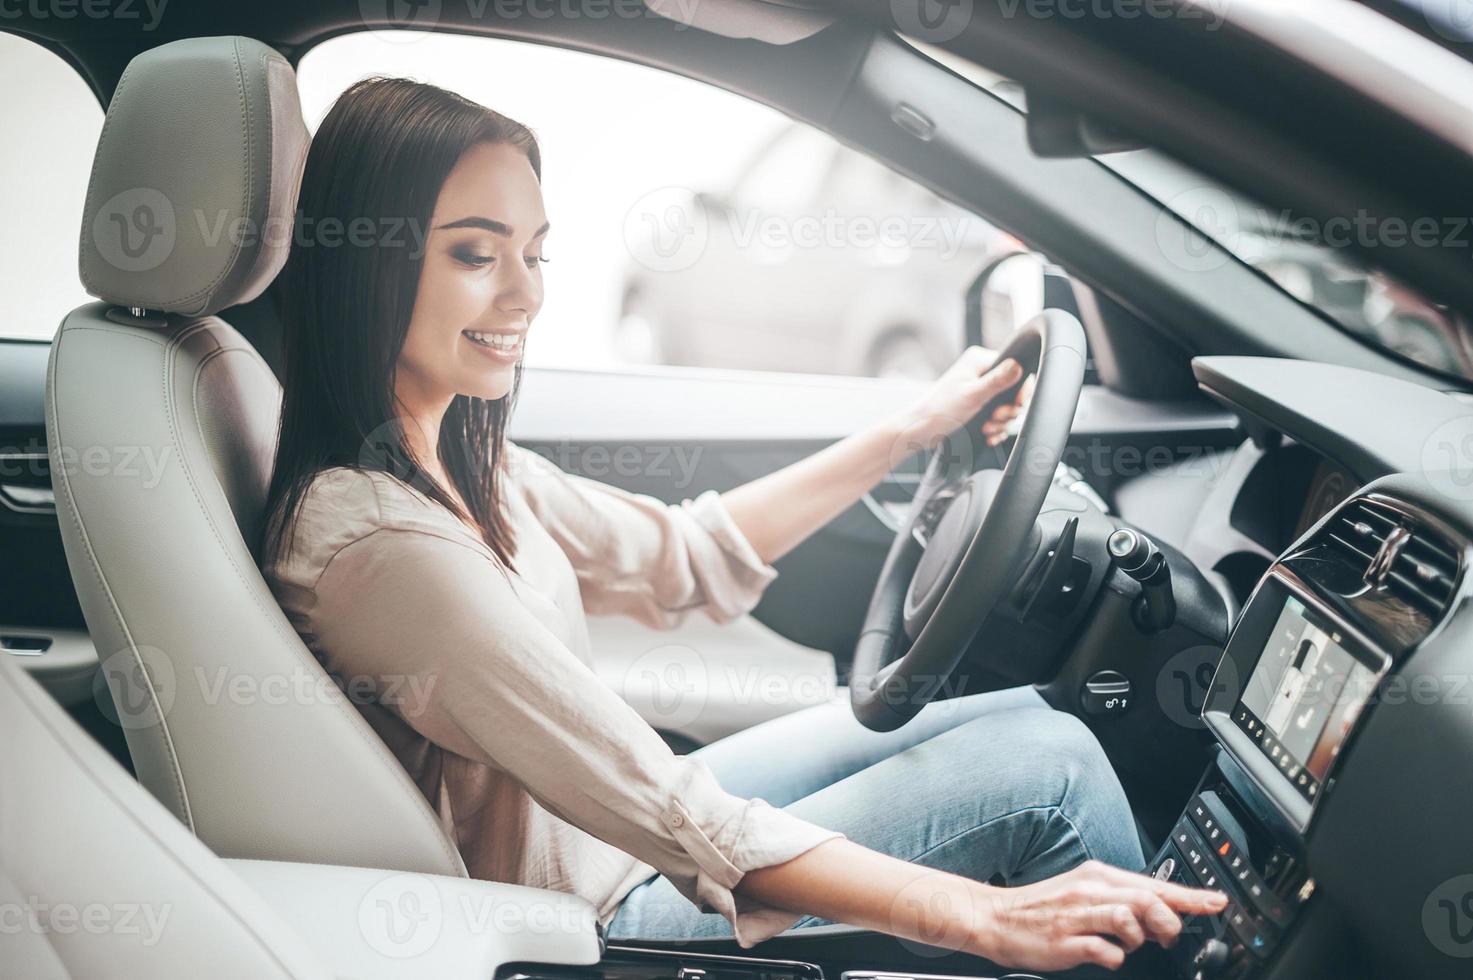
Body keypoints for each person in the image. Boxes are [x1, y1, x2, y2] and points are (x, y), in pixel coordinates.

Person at [260, 76, 1226, 974]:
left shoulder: (458, 459)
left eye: (535, 251)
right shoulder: (387, 549)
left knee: (1026, 714)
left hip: (611, 841)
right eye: (476, 254)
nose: (526, 293)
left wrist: (906, 431)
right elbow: (673, 811)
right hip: (588, 918)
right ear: (369, 265)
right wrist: (981, 917)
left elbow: (683, 555)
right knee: (1044, 773)